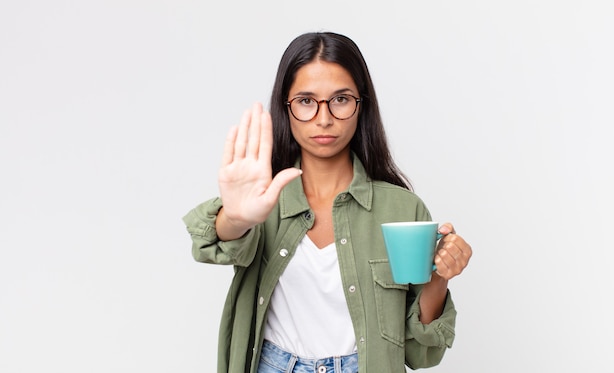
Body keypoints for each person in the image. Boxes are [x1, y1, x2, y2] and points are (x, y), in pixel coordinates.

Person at [183, 31, 472, 373]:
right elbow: (208, 243)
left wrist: (440, 276)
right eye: (306, 101)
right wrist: (235, 217)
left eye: (340, 99)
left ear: (361, 105)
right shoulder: (263, 200)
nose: (324, 118)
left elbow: (420, 354)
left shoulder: (402, 210)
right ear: (286, 107)